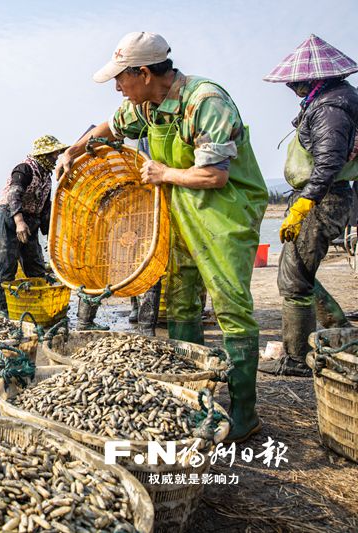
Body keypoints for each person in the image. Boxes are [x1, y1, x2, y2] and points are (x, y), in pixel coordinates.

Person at [57, 32, 268, 443]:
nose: (117, 87)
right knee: (181, 302)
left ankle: (245, 412)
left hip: (224, 214)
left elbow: (215, 175)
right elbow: (110, 127)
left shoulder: (205, 101)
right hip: (181, 213)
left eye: (121, 78)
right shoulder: (146, 106)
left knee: (231, 307)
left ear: (144, 73)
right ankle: (193, 394)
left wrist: (163, 173)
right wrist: (74, 150)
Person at [259, 35, 358, 376]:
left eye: (296, 81)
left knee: (294, 281)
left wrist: (304, 203)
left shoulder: (331, 107)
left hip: (323, 199)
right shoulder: (332, 99)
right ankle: (341, 331)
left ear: (315, 77)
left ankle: (297, 358)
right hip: (323, 196)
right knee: (298, 271)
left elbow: (329, 162)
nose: (291, 86)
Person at [0, 135, 67, 318]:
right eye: (54, 154)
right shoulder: (24, 169)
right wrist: (19, 221)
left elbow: (45, 208)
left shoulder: (46, 177)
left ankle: (38, 308)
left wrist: (50, 235)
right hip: (9, 218)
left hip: (31, 221)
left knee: (36, 266)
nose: (56, 157)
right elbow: (13, 195)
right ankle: (4, 310)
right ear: (44, 154)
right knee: (7, 265)